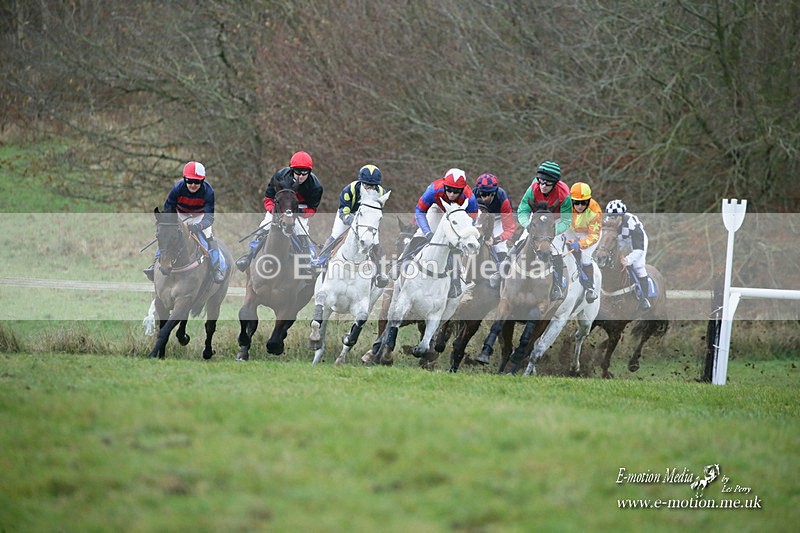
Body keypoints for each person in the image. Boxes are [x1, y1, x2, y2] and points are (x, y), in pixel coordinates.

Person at [490, 161, 572, 300]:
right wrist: (527, 224)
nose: (543, 186)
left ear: (555, 184)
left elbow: (566, 221)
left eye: (547, 184)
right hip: (537, 220)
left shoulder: (564, 194)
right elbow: (523, 209)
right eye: (541, 182)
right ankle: (501, 271)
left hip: (555, 222)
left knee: (556, 250)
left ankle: (557, 285)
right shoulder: (533, 187)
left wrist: (551, 231)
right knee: (520, 241)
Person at [235, 151, 324, 271]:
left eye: (305, 172)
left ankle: (309, 261)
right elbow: (268, 198)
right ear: (292, 170)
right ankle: (249, 256)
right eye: (297, 172)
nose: (301, 176)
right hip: (279, 207)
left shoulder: (315, 186)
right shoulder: (280, 176)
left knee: (301, 230)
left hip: (300, 210)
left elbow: (312, 209)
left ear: (310, 171)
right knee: (264, 226)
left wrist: (298, 211)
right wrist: (275, 211)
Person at [400, 168, 479, 298]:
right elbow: (420, 211)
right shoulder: (434, 189)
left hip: (459, 214)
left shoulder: (470, 199)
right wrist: (427, 233)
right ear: (444, 185)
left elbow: (471, 223)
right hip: (438, 208)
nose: (452, 194)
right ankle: (402, 263)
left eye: (456, 191)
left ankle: (455, 279)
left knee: (457, 244)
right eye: (449, 189)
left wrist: (460, 239)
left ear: (463, 189)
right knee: (421, 234)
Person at [143, 161, 227, 283]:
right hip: (180, 216)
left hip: (199, 217)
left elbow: (209, 218)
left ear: (202, 180)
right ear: (184, 179)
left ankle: (216, 268)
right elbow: (168, 209)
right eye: (189, 181)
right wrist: (172, 222)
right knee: (167, 235)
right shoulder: (177, 188)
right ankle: (155, 264)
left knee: (209, 238)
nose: (193, 185)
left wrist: (197, 226)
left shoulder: (208, 191)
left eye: (197, 182)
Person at [314, 164, 389, 288]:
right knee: (335, 236)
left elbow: (376, 213)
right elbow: (344, 212)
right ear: (361, 182)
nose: (369, 189)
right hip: (348, 216)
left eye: (373, 186)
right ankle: (320, 263)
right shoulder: (350, 190)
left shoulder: (381, 193)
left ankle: (380, 273)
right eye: (366, 185)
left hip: (366, 220)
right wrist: (354, 222)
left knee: (376, 243)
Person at [604, 199, 652, 310]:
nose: (612, 220)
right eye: (610, 217)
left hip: (635, 240)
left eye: (614, 217)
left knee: (638, 266)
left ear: (621, 216)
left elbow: (638, 249)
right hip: (620, 239)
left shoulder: (632, 224)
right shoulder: (606, 223)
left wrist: (628, 260)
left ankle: (644, 299)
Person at [564, 182, 602, 303]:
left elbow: (594, 235)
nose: (580, 206)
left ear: (589, 201)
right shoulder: (565, 205)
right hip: (571, 229)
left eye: (584, 203)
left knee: (585, 256)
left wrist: (580, 244)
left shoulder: (595, 211)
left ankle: (590, 288)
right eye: (576, 202)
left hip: (589, 233)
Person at [473, 173, 515, 263]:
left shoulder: (503, 200)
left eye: (487, 194)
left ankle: (502, 268)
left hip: (497, 220)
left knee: (499, 247)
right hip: (479, 218)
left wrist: (496, 239)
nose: (484, 198)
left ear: (494, 193)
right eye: (482, 193)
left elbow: (509, 229)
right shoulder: (472, 195)